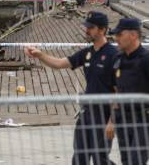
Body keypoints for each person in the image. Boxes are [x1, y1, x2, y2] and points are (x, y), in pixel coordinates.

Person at [25, 11, 117, 165]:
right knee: (79, 157)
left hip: (104, 115)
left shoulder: (114, 55)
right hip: (86, 113)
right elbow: (60, 63)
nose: (86, 30)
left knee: (100, 159)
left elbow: (119, 91)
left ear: (102, 30)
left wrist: (112, 121)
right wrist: (40, 55)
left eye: (91, 27)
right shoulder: (87, 53)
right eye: (86, 27)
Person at [110, 18, 149, 165]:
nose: (116, 38)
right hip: (123, 119)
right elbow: (116, 91)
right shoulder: (118, 59)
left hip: (143, 120)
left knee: (136, 161)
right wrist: (112, 120)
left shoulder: (146, 59)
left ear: (133, 35)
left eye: (120, 34)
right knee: (127, 161)